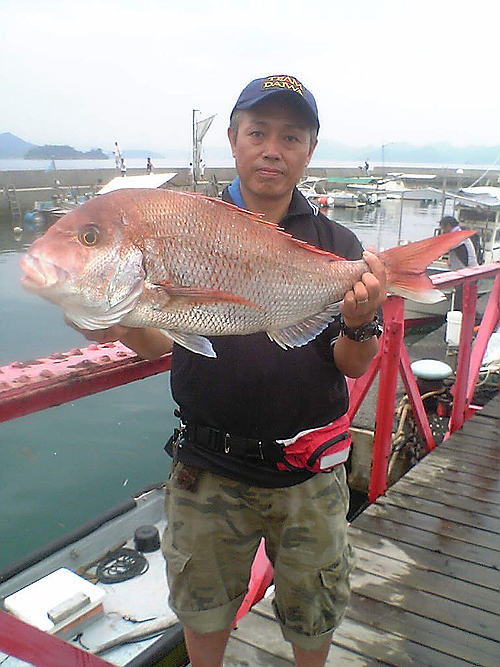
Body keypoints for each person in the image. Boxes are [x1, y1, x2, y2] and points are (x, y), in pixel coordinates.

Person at [68, 74, 386, 667]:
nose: (272, 148)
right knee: (202, 608)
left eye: (291, 136)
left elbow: (352, 361)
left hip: (309, 472)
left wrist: (364, 318)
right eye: (257, 132)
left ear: (309, 151)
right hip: (206, 470)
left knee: (314, 611)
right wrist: (114, 322)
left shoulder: (337, 244)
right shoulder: (190, 225)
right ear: (234, 141)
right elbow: (156, 341)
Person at [439, 215, 478, 309]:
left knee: (461, 303)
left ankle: (460, 320)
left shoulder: (457, 237)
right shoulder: (460, 235)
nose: (443, 232)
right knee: (463, 301)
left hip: (467, 274)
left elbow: (442, 248)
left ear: (448, 226)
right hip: (468, 272)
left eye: (443, 228)